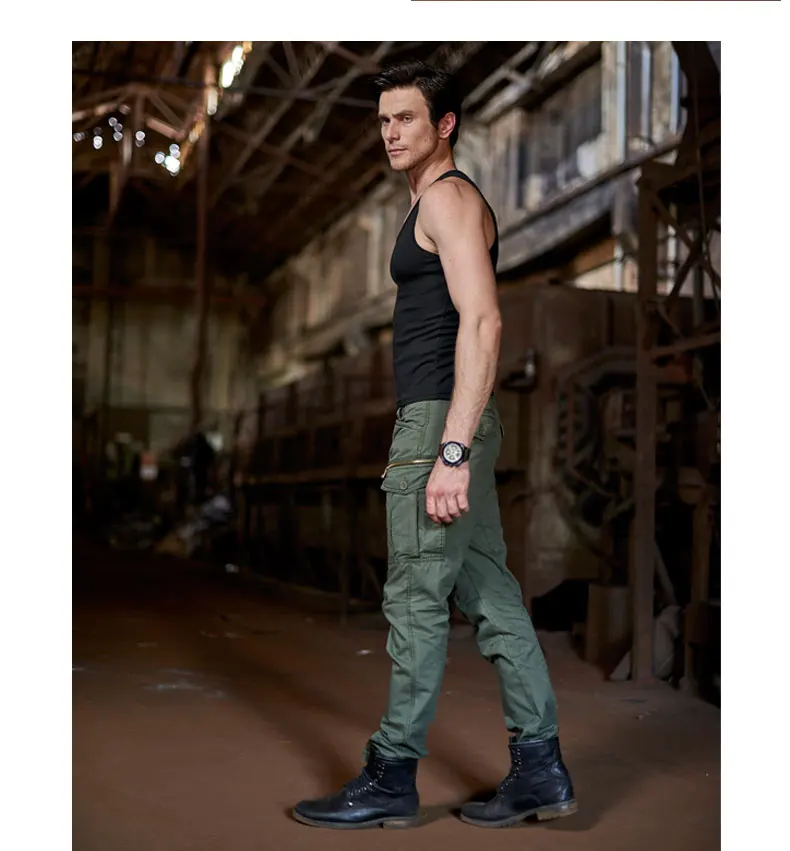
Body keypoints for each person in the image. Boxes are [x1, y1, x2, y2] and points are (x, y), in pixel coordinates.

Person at [293, 59, 576, 830]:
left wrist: (450, 450)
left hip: (437, 425)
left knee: (416, 597)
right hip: (454, 421)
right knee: (490, 595)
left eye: (406, 118)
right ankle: (541, 769)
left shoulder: (448, 199)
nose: (390, 132)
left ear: (444, 124)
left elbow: (483, 321)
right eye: (384, 120)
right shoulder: (436, 201)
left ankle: (391, 774)